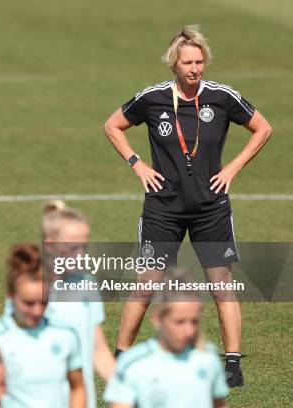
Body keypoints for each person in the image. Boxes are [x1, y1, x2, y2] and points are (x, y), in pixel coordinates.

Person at [103, 25, 272, 387]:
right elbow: (113, 125)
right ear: (174, 64)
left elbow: (263, 128)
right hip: (162, 208)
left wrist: (232, 168)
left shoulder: (223, 97)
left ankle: (232, 363)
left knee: (221, 283)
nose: (195, 69)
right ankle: (121, 358)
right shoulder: (153, 99)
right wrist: (138, 164)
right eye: (188, 63)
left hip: (211, 207)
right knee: (147, 282)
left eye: (200, 62)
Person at [0, 243, 86, 408]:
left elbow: (78, 388)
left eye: (44, 302)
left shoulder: (65, 335)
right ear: (10, 294)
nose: (37, 311)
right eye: (28, 303)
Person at [104, 278, 229, 408]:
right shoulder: (132, 363)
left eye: (194, 321)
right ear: (157, 318)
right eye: (179, 322)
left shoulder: (208, 357)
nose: (189, 331)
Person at [40, 201, 116, 407]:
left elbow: (98, 349)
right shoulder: (30, 291)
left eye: (84, 247)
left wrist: (126, 390)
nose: (81, 255)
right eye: (73, 248)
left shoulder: (86, 285)